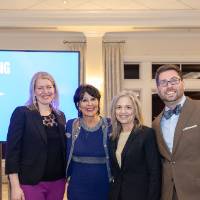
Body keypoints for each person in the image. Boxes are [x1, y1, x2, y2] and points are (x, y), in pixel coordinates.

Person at [5, 72, 66, 200]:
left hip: (58, 182)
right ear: (33, 91)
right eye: (40, 88)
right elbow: (12, 152)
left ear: (54, 89)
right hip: (31, 183)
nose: (45, 91)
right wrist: (15, 186)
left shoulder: (60, 116)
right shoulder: (22, 113)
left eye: (49, 87)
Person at [153, 64, 200, 200]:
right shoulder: (155, 124)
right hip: (168, 193)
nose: (169, 86)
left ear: (182, 83)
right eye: (163, 82)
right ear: (158, 89)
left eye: (174, 81)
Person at [109, 90, 161, 200]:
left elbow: (155, 173)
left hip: (140, 195)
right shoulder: (113, 136)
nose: (123, 111)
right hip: (117, 195)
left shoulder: (147, 134)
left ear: (135, 110)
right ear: (114, 111)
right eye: (118, 107)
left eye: (128, 107)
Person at [65, 84, 112, 200]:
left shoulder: (110, 125)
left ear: (98, 102)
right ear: (78, 105)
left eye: (93, 99)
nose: (89, 104)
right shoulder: (71, 125)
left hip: (105, 186)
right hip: (77, 188)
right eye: (84, 100)